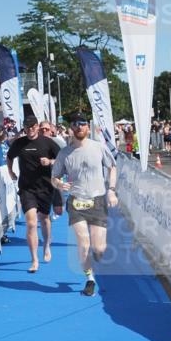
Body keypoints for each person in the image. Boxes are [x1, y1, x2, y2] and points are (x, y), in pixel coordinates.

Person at [50, 113, 118, 297]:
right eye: (75, 124)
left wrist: (111, 190)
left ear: (88, 127)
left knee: (99, 249)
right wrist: (59, 184)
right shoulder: (64, 153)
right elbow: (54, 177)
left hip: (97, 201)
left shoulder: (99, 147)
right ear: (71, 128)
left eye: (82, 124)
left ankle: (95, 256)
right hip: (76, 202)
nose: (79, 127)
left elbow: (112, 167)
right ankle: (90, 279)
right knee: (83, 242)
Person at [7, 115, 62, 272]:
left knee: (44, 219)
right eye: (27, 127)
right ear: (24, 128)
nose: (30, 130)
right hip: (27, 188)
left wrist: (50, 162)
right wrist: (10, 171)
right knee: (31, 223)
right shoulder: (19, 143)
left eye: (32, 127)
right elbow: (9, 157)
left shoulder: (48, 143)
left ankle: (46, 245)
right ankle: (34, 260)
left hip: (45, 186)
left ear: (37, 127)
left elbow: (62, 160)